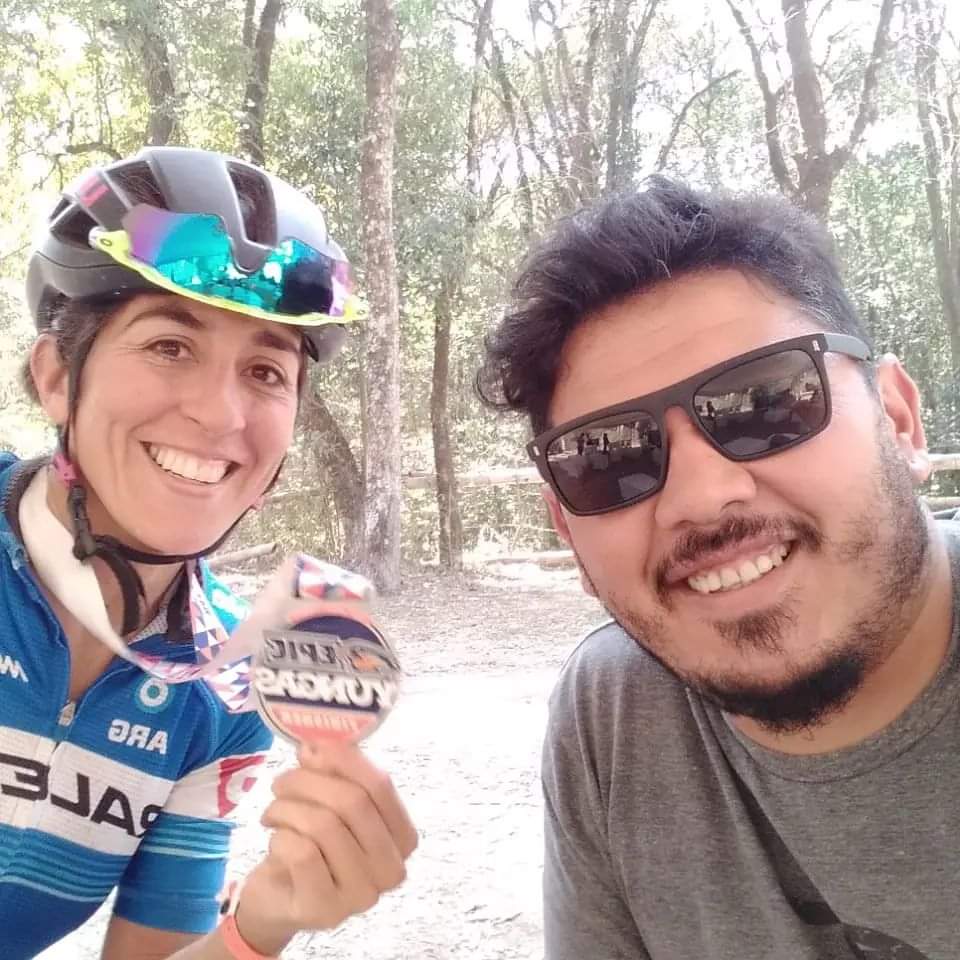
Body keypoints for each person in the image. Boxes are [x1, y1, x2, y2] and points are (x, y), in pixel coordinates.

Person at [478, 178, 956, 959]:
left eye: (766, 400)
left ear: (899, 419)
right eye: (609, 456)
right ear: (567, 530)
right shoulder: (615, 714)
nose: (699, 497)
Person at [1, 146, 417, 960]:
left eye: (265, 370)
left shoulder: (223, 689)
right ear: (56, 378)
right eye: (169, 346)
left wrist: (261, 924)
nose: (222, 415)